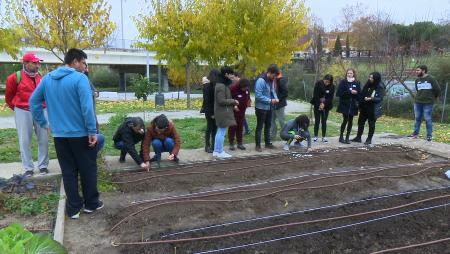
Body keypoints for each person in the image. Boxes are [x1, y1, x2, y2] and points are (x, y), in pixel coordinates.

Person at [30, 48, 102, 219]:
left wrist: (43, 123)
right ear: (75, 61)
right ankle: (91, 204)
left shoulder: (47, 79)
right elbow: (87, 107)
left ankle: (73, 209)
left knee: (68, 172)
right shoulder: (80, 79)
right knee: (88, 169)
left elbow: (33, 101)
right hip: (81, 135)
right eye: (84, 63)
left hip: (60, 136)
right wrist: (92, 131)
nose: (86, 67)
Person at [5, 52, 49, 176]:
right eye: (34, 63)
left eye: (38, 63)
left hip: (41, 110)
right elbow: (9, 97)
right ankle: (28, 168)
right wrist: (19, 108)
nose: (37, 65)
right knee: (24, 140)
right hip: (23, 110)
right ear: (25, 63)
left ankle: (43, 166)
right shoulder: (14, 78)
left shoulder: (41, 77)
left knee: (44, 139)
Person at [408, 65, 441, 141]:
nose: (416, 72)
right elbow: (418, 90)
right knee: (417, 118)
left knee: (427, 118)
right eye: (416, 70)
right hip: (418, 102)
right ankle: (415, 134)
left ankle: (429, 136)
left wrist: (433, 98)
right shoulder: (417, 80)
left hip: (428, 103)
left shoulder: (431, 79)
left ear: (423, 71)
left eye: (418, 70)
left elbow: (437, 90)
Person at [352, 72, 385, 145]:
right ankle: (358, 137)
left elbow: (379, 98)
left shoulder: (380, 86)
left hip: (373, 108)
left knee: (371, 124)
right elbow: (363, 92)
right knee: (360, 122)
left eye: (371, 78)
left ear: (375, 79)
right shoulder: (368, 83)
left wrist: (371, 98)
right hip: (364, 106)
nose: (369, 79)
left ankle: (369, 139)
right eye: (369, 77)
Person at [212, 66, 238, 158]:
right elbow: (221, 100)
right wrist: (233, 101)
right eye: (231, 74)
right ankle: (220, 152)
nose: (232, 76)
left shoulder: (222, 85)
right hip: (222, 112)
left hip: (223, 111)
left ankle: (216, 151)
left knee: (220, 132)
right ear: (226, 74)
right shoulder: (221, 86)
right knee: (221, 132)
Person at [254, 64, 280, 152]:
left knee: (268, 126)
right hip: (261, 108)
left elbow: (272, 90)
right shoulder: (261, 81)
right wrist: (270, 100)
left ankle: (267, 143)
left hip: (269, 108)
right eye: (274, 75)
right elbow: (258, 96)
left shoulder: (271, 80)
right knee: (260, 126)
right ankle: (257, 145)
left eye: (276, 76)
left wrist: (276, 98)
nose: (275, 78)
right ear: (269, 72)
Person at [336, 68, 361, 144]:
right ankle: (341, 137)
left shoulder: (357, 82)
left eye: (351, 73)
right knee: (345, 120)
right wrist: (350, 92)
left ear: (353, 74)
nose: (349, 74)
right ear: (346, 74)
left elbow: (360, 94)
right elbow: (339, 93)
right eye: (348, 73)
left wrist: (356, 93)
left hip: (353, 105)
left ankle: (347, 137)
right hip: (345, 105)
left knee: (350, 121)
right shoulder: (343, 82)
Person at [84, 66, 104, 153]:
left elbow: (96, 92)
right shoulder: (80, 80)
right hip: (88, 111)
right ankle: (92, 152)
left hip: (92, 109)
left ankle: (94, 151)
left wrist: (94, 92)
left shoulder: (86, 79)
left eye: (87, 67)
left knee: (96, 127)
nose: (87, 70)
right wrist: (93, 93)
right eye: (85, 67)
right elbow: (91, 93)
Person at [310, 74, 335, 142]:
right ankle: (315, 136)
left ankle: (324, 137)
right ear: (324, 79)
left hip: (326, 106)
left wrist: (324, 104)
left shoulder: (332, 86)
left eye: (328, 82)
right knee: (317, 121)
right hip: (317, 104)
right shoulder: (318, 83)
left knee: (324, 121)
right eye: (326, 81)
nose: (327, 83)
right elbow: (316, 95)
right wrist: (319, 104)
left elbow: (330, 98)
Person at [228, 78, 251, 150]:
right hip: (233, 112)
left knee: (240, 127)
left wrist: (248, 102)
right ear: (241, 86)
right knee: (232, 127)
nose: (246, 89)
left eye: (247, 88)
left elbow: (248, 97)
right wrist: (233, 105)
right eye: (244, 88)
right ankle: (231, 143)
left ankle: (240, 143)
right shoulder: (233, 88)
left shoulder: (247, 89)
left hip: (242, 112)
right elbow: (228, 99)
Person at [200, 71, 219, 153]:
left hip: (214, 110)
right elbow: (207, 101)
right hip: (210, 111)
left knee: (215, 128)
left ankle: (213, 145)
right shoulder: (207, 86)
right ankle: (207, 146)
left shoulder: (213, 84)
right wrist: (212, 113)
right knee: (210, 128)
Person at [270, 72, 288, 140]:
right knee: (271, 120)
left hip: (280, 105)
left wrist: (278, 99)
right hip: (273, 104)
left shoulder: (281, 80)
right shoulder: (273, 80)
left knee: (281, 121)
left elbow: (285, 92)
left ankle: (285, 135)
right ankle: (272, 135)